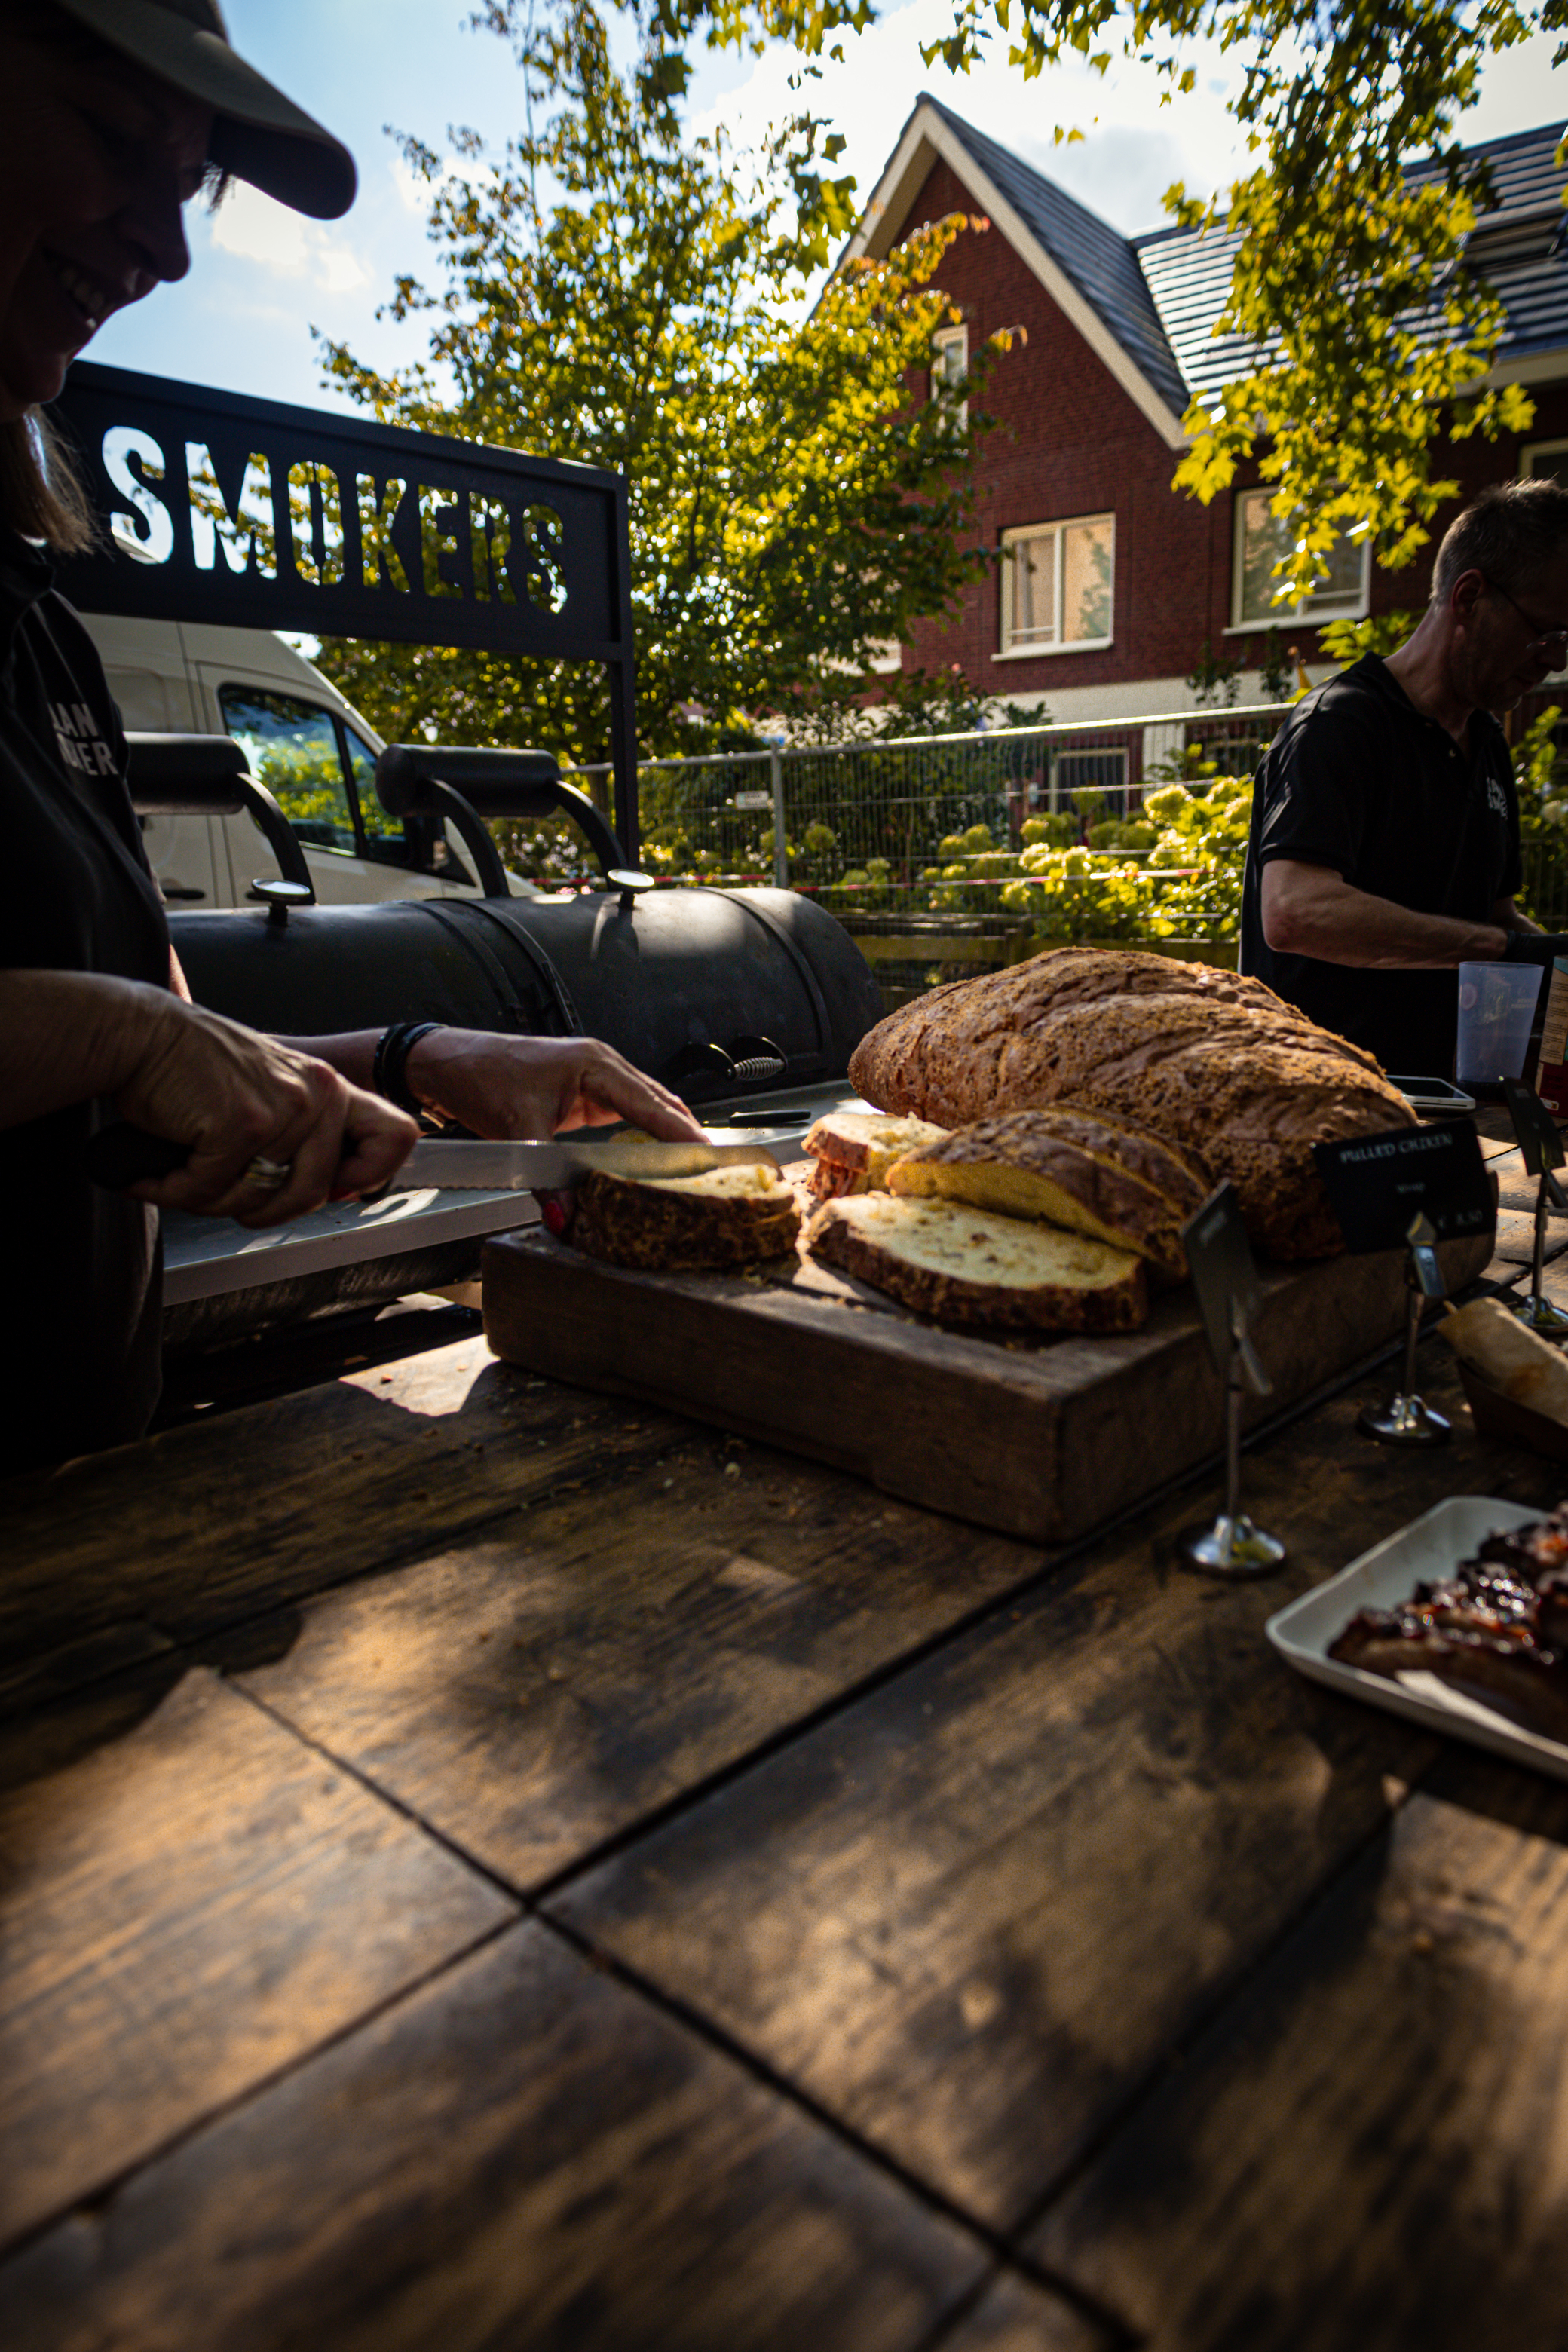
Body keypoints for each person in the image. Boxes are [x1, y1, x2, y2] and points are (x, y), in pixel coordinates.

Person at [0, 0, 701, 1475]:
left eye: (186, 183)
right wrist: (135, 1029)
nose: (170, 250)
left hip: (79, 1509)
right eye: (120, 142)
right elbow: (131, 1035)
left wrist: (421, 1053)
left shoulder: (33, 611)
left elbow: (149, 1051)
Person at [1239, 478, 1568, 1077]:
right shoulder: (1340, 725)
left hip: (1440, 1104)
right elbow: (1293, 912)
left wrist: (1556, 963)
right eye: (1543, 633)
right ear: (1469, 598)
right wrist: (1501, 951)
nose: (1555, 660)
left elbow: (1497, 919)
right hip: (1313, 1105)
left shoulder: (1488, 748)